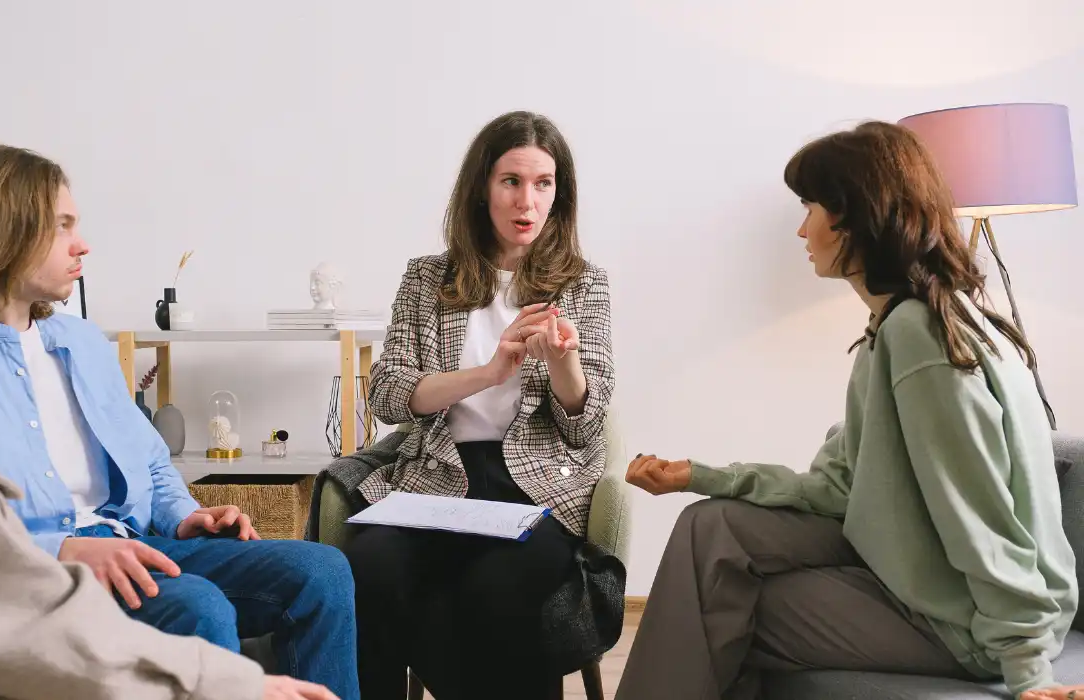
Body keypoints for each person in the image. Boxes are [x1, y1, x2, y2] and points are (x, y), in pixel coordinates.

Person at [615, 121, 1080, 700]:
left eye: (809, 206)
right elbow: (838, 488)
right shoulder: (894, 326)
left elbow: (980, 515)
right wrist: (703, 476)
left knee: (717, 603)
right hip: (924, 581)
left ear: (855, 217)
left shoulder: (923, 336)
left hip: (967, 624)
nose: (800, 227)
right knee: (710, 526)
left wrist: (1027, 668)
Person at [0, 118, 335, 700]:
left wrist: (182, 514)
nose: (83, 244)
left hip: (130, 537)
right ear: (1, 234)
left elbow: (148, 459)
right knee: (194, 605)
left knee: (321, 573)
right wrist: (62, 548)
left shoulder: (83, 344)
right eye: (62, 227)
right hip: (43, 564)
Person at [346, 110, 617, 700]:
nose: (528, 201)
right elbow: (389, 395)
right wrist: (491, 372)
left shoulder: (582, 283)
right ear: (481, 189)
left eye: (543, 183)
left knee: (497, 585)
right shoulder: (427, 278)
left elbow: (584, 423)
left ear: (558, 193)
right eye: (511, 181)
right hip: (436, 478)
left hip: (536, 487)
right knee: (370, 568)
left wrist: (562, 359)